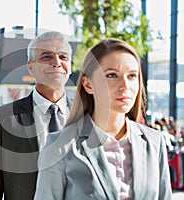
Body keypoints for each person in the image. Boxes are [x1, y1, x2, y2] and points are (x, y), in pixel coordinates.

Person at [34, 38, 172, 200]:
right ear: (88, 84)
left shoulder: (154, 142)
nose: (125, 86)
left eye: (132, 76)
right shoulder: (59, 146)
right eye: (112, 75)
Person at [0, 31, 73, 200]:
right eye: (46, 57)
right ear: (30, 67)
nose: (57, 63)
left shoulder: (88, 117)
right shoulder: (1, 119)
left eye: (63, 57)